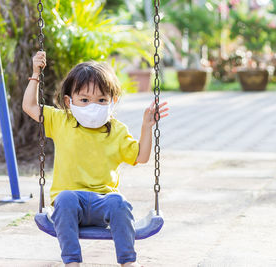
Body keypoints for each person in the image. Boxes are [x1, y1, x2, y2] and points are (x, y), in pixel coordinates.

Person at [22, 51, 169, 267]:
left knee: (119, 203)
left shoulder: (117, 130)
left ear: (113, 101)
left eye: (102, 100)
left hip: (104, 202)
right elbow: (30, 107)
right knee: (64, 199)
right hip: (71, 203)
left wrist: (146, 126)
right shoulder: (61, 120)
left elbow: (141, 156)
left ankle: (128, 261)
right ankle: (72, 262)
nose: (93, 106)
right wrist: (36, 73)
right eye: (84, 99)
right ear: (68, 101)